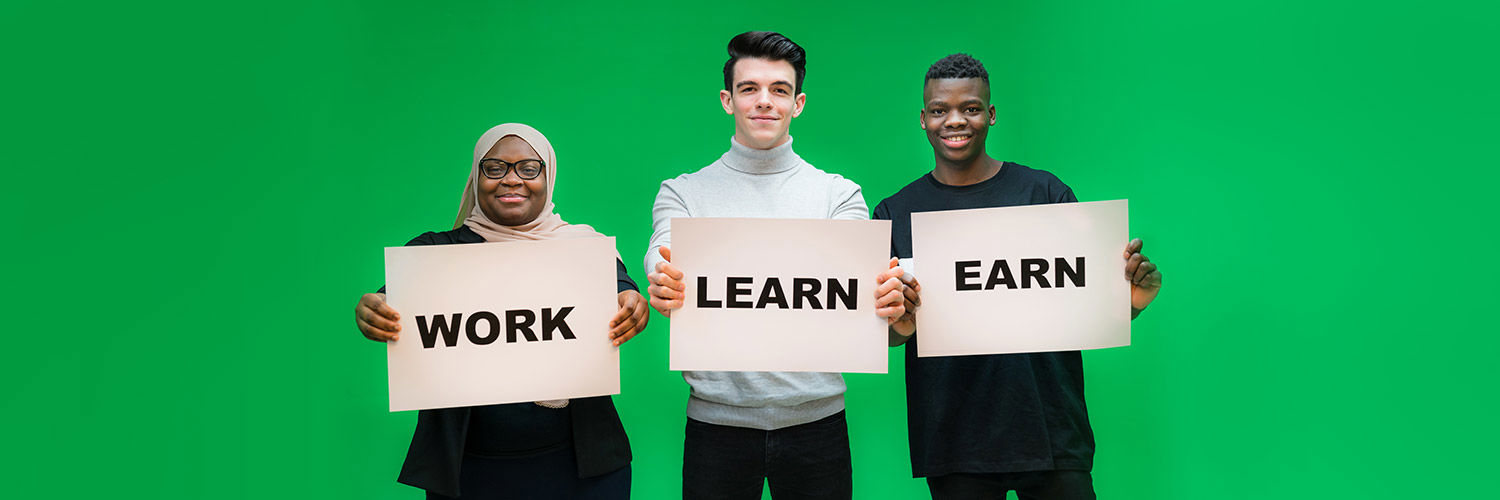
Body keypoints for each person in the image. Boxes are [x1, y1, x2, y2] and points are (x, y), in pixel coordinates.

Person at [874, 54, 1164, 500]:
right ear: (923, 119)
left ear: (990, 115)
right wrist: (899, 321)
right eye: (939, 110)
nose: (955, 121)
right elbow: (892, 334)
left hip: (1050, 428)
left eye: (970, 108)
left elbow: (1087, 308)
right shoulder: (896, 212)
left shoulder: (1045, 194)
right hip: (955, 437)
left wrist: (1135, 300)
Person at [642, 31, 907, 500]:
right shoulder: (683, 192)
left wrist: (887, 297)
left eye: (779, 90)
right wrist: (661, 275)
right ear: (727, 100)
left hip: (818, 424)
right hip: (716, 425)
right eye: (749, 89)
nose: (764, 102)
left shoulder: (839, 195)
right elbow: (665, 246)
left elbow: (861, 285)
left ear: (798, 103)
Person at [353, 123, 649, 499]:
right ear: (476, 177)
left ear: (549, 176)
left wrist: (632, 301)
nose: (512, 180)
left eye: (529, 168)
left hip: (585, 472)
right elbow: (390, 299)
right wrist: (372, 309)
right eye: (495, 168)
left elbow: (619, 286)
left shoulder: (583, 248)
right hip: (470, 473)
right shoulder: (436, 253)